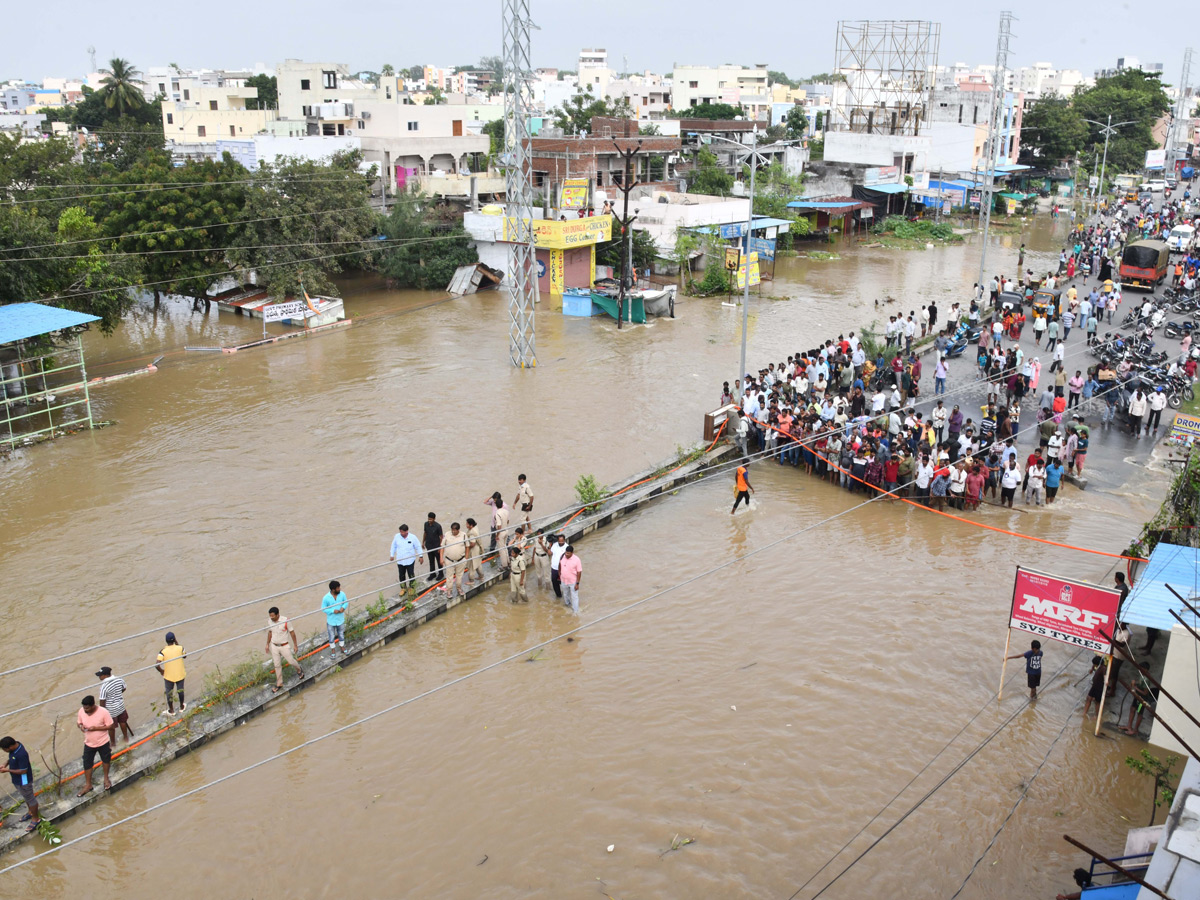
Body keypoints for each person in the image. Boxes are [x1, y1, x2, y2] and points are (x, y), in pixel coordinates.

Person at [0, 736, 40, 832]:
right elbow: (11, 758)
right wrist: (5, 764)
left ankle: (36, 819)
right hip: (17, 780)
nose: (5, 751)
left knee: (31, 799)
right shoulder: (16, 746)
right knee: (26, 797)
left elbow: (23, 771)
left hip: (24, 781)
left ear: (9, 747)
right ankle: (30, 812)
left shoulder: (21, 754)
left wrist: (7, 770)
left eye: (5, 749)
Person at [76, 695, 114, 795]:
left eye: (87, 708)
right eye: (84, 708)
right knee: (87, 763)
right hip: (89, 743)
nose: (85, 710)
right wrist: (81, 726)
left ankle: (106, 779)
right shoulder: (81, 711)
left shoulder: (103, 712)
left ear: (93, 705)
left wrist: (96, 728)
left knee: (106, 760)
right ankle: (88, 785)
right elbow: (78, 723)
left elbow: (111, 726)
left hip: (103, 742)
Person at [265, 606, 304, 693]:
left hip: (284, 646)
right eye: (270, 616)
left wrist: (295, 645)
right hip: (274, 646)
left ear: (278, 614)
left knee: (291, 661)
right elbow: (270, 632)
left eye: (273, 616)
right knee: (277, 665)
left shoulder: (286, 621)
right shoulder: (269, 621)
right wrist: (267, 644)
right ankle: (279, 684)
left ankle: (299, 669)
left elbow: (292, 633)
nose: (271, 618)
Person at [96, 666, 132, 746]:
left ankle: (112, 743)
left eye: (100, 675)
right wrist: (117, 694)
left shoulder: (104, 686)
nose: (99, 677)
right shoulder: (119, 679)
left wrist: (101, 713)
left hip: (111, 710)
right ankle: (126, 738)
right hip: (121, 706)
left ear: (105, 675)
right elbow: (124, 688)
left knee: (111, 727)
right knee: (123, 722)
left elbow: (102, 701)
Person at [155, 632, 187, 715]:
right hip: (180, 673)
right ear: (175, 639)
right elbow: (185, 656)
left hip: (169, 676)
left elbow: (157, 665)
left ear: (166, 641)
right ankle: (181, 707)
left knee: (169, 693)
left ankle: (171, 710)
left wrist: (162, 671)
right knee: (180, 691)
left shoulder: (163, 651)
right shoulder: (180, 648)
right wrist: (177, 643)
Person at [389, 524, 423, 590]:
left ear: (406, 531)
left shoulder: (413, 537)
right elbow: (393, 546)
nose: (401, 533)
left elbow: (418, 547)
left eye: (402, 532)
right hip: (400, 560)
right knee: (401, 575)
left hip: (410, 560)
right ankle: (403, 588)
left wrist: (420, 556)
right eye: (400, 532)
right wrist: (392, 555)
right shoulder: (397, 537)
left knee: (411, 574)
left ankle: (412, 587)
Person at [442, 521, 469, 599]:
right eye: (452, 530)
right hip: (449, 560)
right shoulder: (447, 534)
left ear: (458, 530)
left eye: (455, 530)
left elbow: (467, 546)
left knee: (459, 576)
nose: (453, 531)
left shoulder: (463, 535)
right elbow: (442, 547)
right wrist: (441, 558)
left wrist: (466, 558)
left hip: (461, 560)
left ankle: (459, 588)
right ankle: (449, 591)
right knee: (449, 576)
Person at [321, 580, 348, 657]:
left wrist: (343, 607)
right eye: (338, 588)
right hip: (331, 621)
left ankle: (342, 647)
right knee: (331, 636)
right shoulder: (326, 598)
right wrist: (332, 611)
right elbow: (323, 608)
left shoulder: (342, 594)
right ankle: (333, 650)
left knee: (341, 634)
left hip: (340, 619)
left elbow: (346, 602)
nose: (339, 589)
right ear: (333, 589)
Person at [507, 527, 529, 603]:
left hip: (521, 555)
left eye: (517, 534)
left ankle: (525, 600)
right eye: (515, 534)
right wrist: (514, 539)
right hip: (515, 558)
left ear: (521, 534)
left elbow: (519, 547)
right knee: (513, 589)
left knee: (521, 587)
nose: (516, 535)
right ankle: (515, 601)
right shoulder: (513, 557)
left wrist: (519, 540)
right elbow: (509, 544)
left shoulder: (524, 539)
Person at [559, 545, 583, 614]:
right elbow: (560, 565)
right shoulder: (562, 556)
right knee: (566, 594)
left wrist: (577, 583)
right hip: (564, 580)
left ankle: (576, 611)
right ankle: (568, 606)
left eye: (568, 553)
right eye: (566, 552)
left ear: (572, 553)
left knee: (574, 596)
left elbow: (579, 572)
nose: (566, 554)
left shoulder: (577, 560)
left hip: (573, 582)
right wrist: (560, 575)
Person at [422, 512, 444, 583]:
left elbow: (441, 537)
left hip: (436, 546)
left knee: (438, 561)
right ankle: (432, 574)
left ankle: (441, 574)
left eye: (431, 519)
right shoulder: (426, 524)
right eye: (428, 519)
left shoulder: (438, 526)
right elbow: (425, 533)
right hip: (429, 545)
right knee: (431, 561)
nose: (429, 520)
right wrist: (423, 542)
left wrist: (440, 547)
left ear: (434, 519)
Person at [464, 518, 484, 584]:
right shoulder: (476, 528)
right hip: (478, 548)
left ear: (471, 525)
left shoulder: (472, 533)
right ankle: (481, 576)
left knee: (472, 565)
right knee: (478, 564)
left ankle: (471, 580)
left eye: (467, 524)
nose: (466, 525)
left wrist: (467, 547)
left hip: (473, 550)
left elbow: (472, 543)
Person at [549, 533, 568, 599]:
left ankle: (566, 596)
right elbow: (550, 553)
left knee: (564, 582)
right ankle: (558, 595)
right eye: (559, 541)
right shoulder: (554, 545)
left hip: (562, 568)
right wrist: (549, 545)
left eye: (562, 541)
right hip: (554, 568)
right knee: (554, 581)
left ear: (564, 540)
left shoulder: (567, 547)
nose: (560, 542)